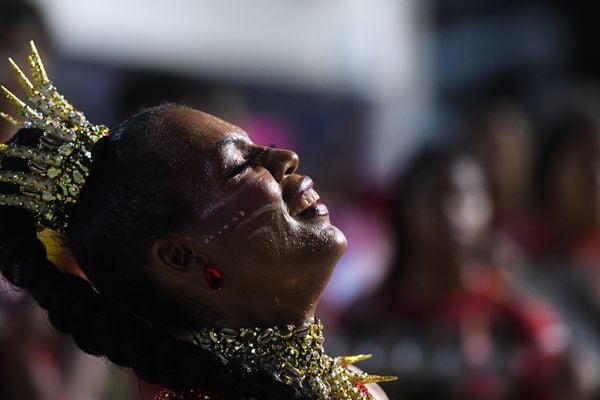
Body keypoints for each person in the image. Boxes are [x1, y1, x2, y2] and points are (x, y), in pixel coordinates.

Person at [0, 42, 393, 399]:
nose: (285, 157)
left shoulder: (351, 384)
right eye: (240, 166)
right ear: (181, 258)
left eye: (262, 147)